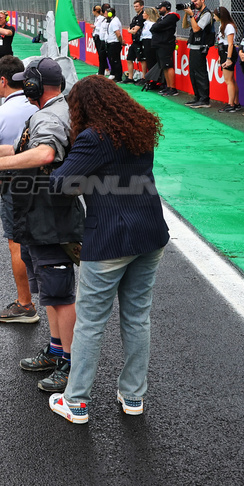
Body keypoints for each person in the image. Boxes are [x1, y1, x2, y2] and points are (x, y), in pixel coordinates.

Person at [46, 77, 170, 423]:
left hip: (110, 239)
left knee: (90, 323)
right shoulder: (140, 126)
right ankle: (133, 396)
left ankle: (77, 401)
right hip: (150, 231)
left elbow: (61, 184)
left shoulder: (93, 138)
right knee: (137, 316)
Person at [0, 57, 85, 394]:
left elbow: (45, 153)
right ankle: (58, 350)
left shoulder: (50, 115)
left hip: (52, 217)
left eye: (26, 82)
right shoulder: (51, 110)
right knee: (50, 291)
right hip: (42, 215)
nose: (23, 86)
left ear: (35, 86)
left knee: (61, 294)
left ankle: (71, 364)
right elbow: (24, 148)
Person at [0, 57, 40, 327]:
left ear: (2, 81)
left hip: (13, 180)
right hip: (45, 177)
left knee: (16, 242)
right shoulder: (38, 104)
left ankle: (25, 303)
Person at [184, 0, 213, 108]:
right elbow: (185, 26)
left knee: (200, 74)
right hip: (193, 47)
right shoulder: (197, 14)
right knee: (193, 74)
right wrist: (186, 14)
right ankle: (198, 97)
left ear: (202, 0)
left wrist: (191, 15)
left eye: (196, 1)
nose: (194, 4)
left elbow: (196, 29)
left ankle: (204, 99)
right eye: (193, 2)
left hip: (200, 48)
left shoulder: (207, 14)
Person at [150, 1, 181, 96]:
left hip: (166, 44)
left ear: (166, 7)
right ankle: (168, 86)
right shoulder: (163, 18)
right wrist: (156, 27)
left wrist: (156, 27)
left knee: (168, 66)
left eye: (161, 8)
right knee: (164, 66)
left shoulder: (171, 17)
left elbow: (157, 27)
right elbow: (154, 27)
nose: (159, 10)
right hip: (160, 44)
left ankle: (173, 88)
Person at [215, 5, 241, 113]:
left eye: (215, 15)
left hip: (227, 52)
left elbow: (230, 44)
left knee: (228, 80)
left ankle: (231, 104)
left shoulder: (229, 26)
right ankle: (236, 103)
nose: (214, 17)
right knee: (231, 80)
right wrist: (221, 57)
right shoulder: (222, 25)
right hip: (224, 52)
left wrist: (228, 58)